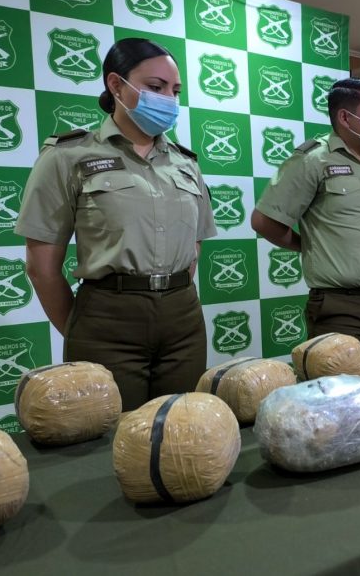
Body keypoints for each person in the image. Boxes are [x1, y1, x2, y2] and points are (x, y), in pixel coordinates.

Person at [15, 37, 216, 411]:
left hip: (183, 319)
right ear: (115, 85)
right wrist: (83, 330)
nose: (168, 100)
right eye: (155, 88)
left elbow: (195, 245)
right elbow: (41, 268)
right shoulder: (69, 156)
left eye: (175, 91)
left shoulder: (186, 163)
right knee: (112, 442)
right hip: (107, 319)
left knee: (182, 431)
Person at [251, 77, 360, 361]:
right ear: (345, 118)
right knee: (341, 396)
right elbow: (264, 221)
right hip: (339, 307)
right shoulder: (313, 160)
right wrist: (310, 245)